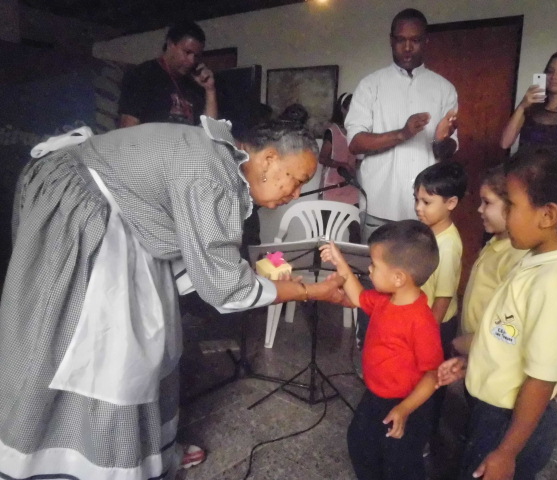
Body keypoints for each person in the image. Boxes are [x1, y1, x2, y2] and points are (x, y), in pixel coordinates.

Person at [0, 118, 345, 479]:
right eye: (298, 181)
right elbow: (227, 288)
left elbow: (209, 260)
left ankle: (148, 453)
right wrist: (311, 289)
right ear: (270, 159)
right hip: (87, 212)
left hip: (126, 219)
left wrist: (249, 274)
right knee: (109, 351)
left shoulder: (222, 158)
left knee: (156, 336)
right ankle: (89, 464)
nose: (294, 195)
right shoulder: (211, 175)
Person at [438, 146, 557, 480]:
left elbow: (541, 380)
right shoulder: (535, 260)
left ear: (548, 215)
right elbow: (512, 335)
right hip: (495, 410)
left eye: (513, 205)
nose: (508, 213)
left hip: (510, 423)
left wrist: (506, 452)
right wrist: (481, 360)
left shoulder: (554, 284)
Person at [320, 220, 443, 480]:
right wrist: (340, 263)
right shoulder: (386, 300)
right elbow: (358, 297)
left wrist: (404, 409)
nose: (369, 269)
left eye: (374, 265)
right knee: (360, 443)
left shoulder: (421, 321)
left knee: (401, 463)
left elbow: (432, 376)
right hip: (376, 395)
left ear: (399, 278)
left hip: (406, 404)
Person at [345, 8, 458, 242]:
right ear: (391, 40)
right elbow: (355, 143)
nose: (407, 47)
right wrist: (403, 133)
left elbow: (444, 152)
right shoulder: (370, 85)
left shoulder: (444, 89)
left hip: (424, 210)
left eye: (415, 40)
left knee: (417, 277)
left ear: (426, 41)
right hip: (378, 204)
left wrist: (441, 140)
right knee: (372, 273)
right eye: (401, 40)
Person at [459, 166, 528, 337]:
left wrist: (473, 344)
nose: (479, 209)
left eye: (487, 202)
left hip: (484, 349)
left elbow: (509, 327)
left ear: (512, 206)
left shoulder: (516, 256)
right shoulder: (495, 241)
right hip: (469, 344)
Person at [118, 20, 218, 127]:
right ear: (170, 44)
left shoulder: (194, 82)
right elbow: (128, 127)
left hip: (189, 141)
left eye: (196, 56)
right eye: (187, 52)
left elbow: (209, 129)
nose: (192, 61)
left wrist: (209, 89)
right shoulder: (142, 74)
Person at [414, 161, 467, 354]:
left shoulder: (448, 245)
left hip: (437, 324)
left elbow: (443, 299)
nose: (419, 208)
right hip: (421, 319)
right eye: (416, 200)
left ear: (451, 203)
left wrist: (427, 335)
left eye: (426, 202)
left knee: (433, 378)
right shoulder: (428, 232)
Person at [500, 50, 557, 149]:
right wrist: (522, 106)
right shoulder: (530, 108)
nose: (554, 76)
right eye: (550, 71)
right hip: (522, 164)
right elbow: (505, 144)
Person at [318, 93, 359, 207]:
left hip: (351, 186)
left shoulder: (357, 132)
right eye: (351, 108)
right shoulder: (332, 131)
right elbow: (322, 158)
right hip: (332, 186)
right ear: (342, 109)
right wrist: (343, 165)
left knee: (354, 221)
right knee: (326, 224)